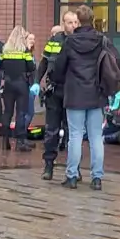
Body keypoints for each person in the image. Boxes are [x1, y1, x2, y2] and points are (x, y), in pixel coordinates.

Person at [51, 5, 120, 191]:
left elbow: (58, 69)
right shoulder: (102, 40)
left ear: (78, 20)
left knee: (75, 136)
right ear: (92, 20)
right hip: (97, 94)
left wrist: (60, 81)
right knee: (96, 137)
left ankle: (72, 176)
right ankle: (97, 178)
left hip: (75, 93)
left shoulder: (70, 42)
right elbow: (119, 62)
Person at [36, 21, 71, 180]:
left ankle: (73, 170)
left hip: (72, 92)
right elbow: (44, 63)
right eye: (69, 22)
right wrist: (37, 81)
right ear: (64, 24)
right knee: (51, 130)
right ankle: (48, 165)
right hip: (55, 90)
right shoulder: (54, 41)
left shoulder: (77, 40)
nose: (72, 25)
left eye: (75, 22)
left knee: (72, 132)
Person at [0, 26, 35, 152]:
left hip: (8, 83)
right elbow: (31, 67)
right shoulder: (24, 51)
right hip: (21, 84)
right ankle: (20, 141)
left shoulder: (5, 50)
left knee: (7, 111)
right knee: (21, 112)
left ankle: (5, 140)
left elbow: (1, 66)